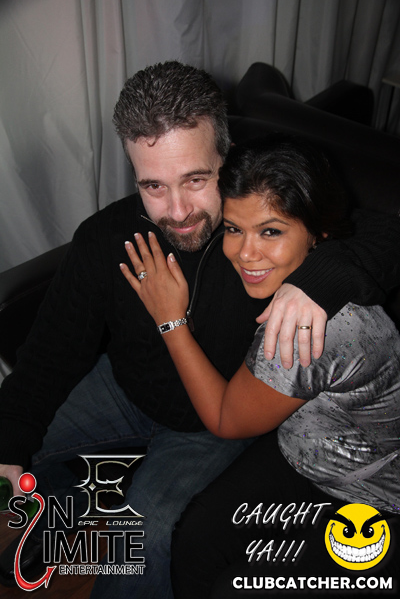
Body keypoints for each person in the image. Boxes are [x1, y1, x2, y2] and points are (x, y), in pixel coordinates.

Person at [0, 63, 399, 598]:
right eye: (153, 186)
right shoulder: (106, 238)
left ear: (227, 158)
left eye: (195, 179)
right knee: (24, 442)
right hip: (123, 387)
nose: (178, 211)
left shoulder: (259, 232)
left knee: (146, 534)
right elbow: (47, 357)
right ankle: (60, 515)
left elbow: (382, 230)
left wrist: (322, 279)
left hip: (212, 421)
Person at [121, 136, 400, 597]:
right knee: (195, 541)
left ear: (318, 234)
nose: (245, 253)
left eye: (270, 232)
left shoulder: (310, 329)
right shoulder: (306, 273)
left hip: (374, 499)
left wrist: (170, 319)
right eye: (234, 229)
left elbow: (225, 419)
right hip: (304, 455)